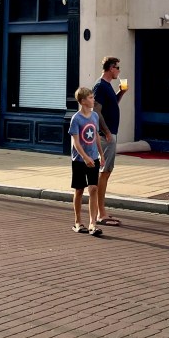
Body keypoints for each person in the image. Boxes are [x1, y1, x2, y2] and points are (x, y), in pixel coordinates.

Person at [93, 55, 127, 226]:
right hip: (106, 135)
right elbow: (96, 111)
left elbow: (111, 106)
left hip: (110, 133)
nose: (119, 71)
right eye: (117, 68)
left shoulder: (107, 86)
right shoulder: (100, 86)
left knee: (106, 172)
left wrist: (121, 92)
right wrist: (106, 132)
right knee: (104, 172)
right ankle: (101, 213)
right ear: (111, 68)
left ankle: (101, 211)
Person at [69, 86, 105, 236]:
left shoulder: (95, 116)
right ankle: (78, 222)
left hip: (93, 157)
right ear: (83, 101)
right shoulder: (76, 119)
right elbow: (76, 142)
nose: (93, 100)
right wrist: (85, 157)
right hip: (79, 160)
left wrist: (101, 154)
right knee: (79, 190)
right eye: (90, 98)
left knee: (93, 188)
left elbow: (96, 136)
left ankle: (92, 224)